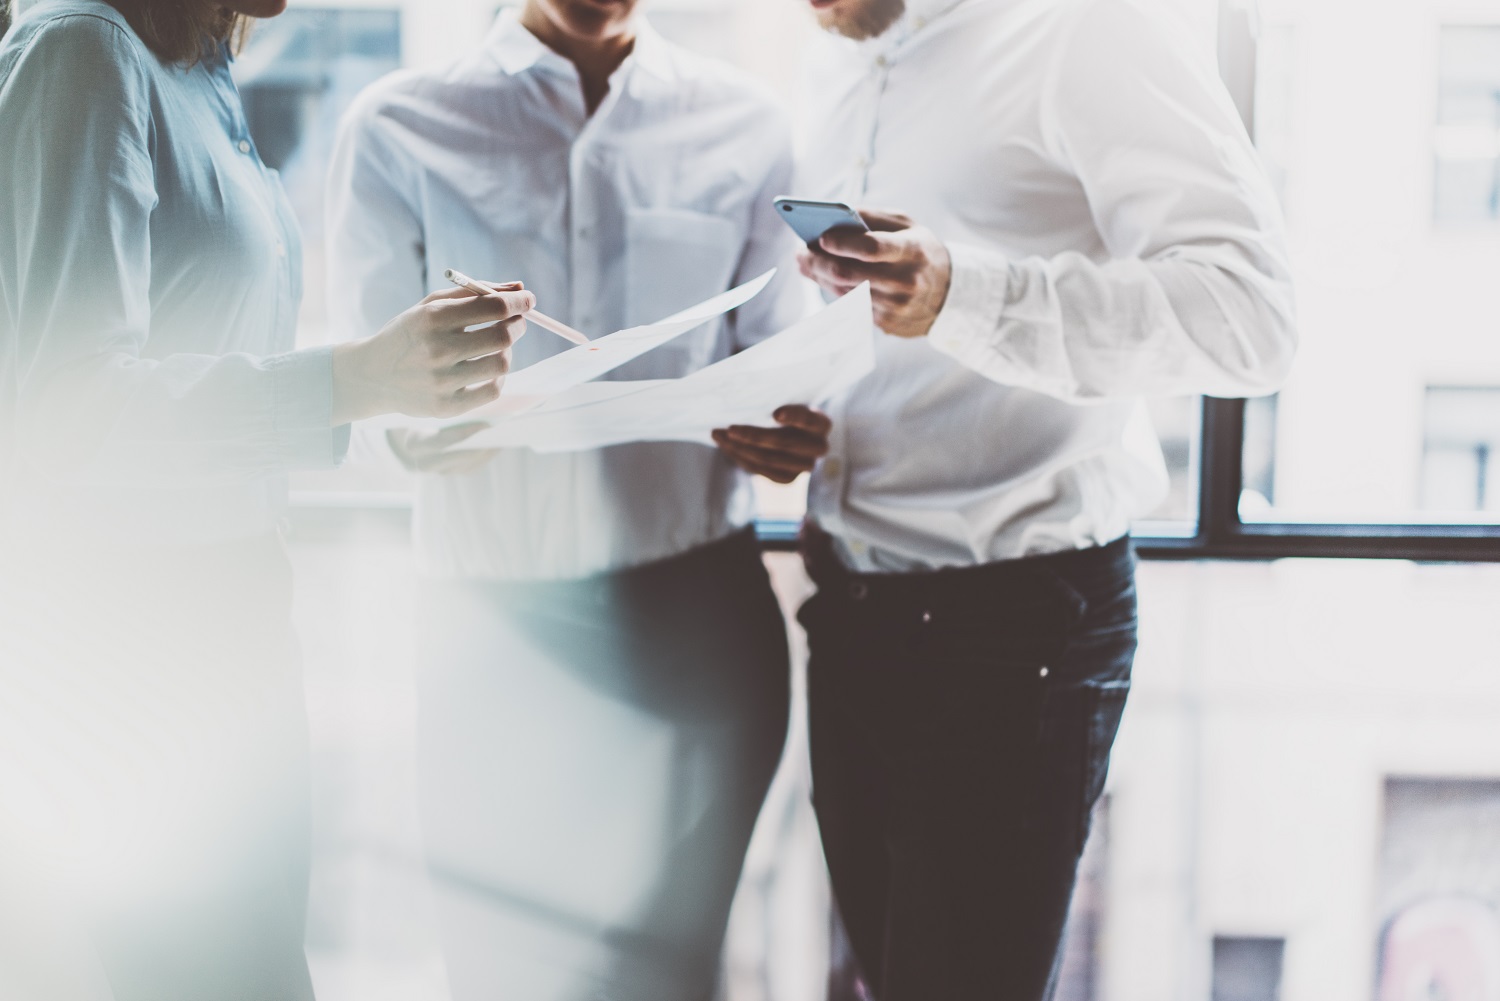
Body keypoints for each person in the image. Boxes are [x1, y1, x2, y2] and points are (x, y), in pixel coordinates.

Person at [732, 0, 1297, 996]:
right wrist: (796, 412)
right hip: (849, 615)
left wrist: (968, 295)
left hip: (1013, 633)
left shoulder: (1085, 26)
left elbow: (1248, 317)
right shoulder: (837, 61)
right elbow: (872, 325)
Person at [0, 1, 532, 998]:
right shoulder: (82, 49)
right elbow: (68, 410)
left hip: (230, 624)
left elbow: (205, 346)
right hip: (122, 656)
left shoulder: (197, 67)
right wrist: (353, 380)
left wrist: (399, 390)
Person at [324, 1, 826, 998]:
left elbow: (778, 366)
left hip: (696, 620)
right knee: (499, 970)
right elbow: (369, 408)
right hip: (492, 630)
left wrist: (792, 432)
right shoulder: (396, 127)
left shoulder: (752, 126)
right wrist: (416, 429)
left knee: (673, 975)